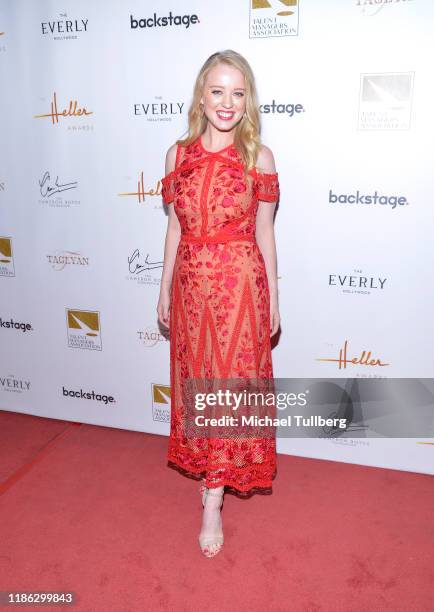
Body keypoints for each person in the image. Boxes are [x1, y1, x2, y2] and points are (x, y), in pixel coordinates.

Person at [157, 49, 280, 559]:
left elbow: (267, 233)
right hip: (190, 286)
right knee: (197, 381)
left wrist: (275, 296)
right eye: (217, 91)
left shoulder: (259, 158)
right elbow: (174, 228)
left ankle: (214, 497)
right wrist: (162, 286)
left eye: (237, 92)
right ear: (201, 95)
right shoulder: (177, 155)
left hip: (240, 286)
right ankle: (212, 471)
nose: (226, 103)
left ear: (247, 99)